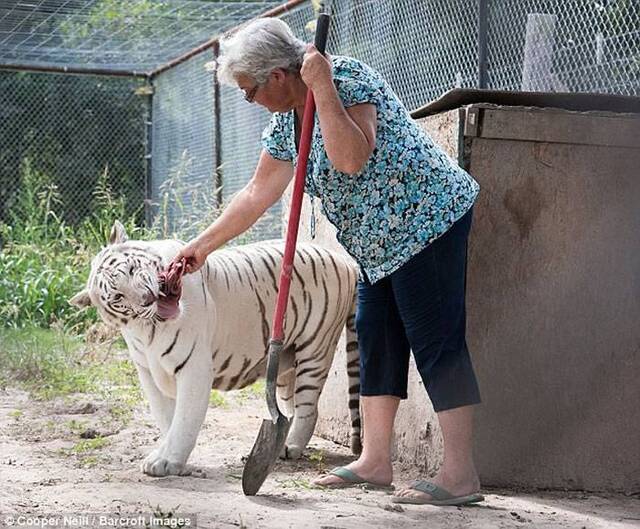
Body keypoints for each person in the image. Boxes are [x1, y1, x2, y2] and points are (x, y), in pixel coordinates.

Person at [171, 17, 483, 506]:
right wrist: (202, 246)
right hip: (378, 245)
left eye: (249, 90)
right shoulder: (284, 121)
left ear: (277, 76)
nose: (248, 101)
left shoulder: (346, 79)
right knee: (375, 334)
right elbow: (258, 193)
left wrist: (324, 88)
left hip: (428, 222)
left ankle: (461, 474)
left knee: (435, 339)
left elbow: (350, 158)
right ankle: (376, 460)